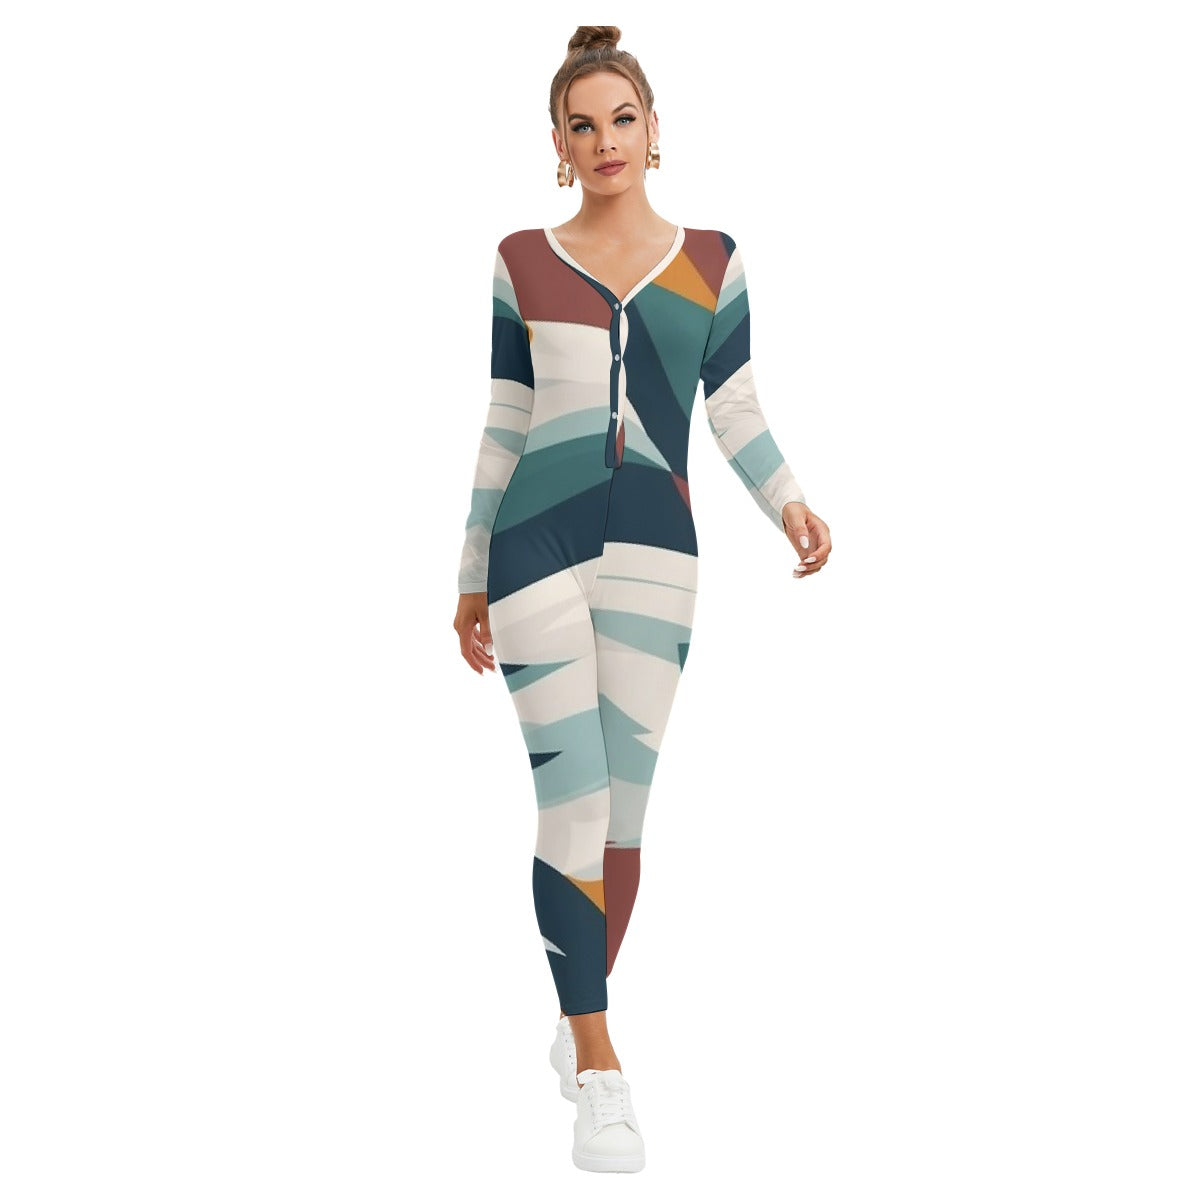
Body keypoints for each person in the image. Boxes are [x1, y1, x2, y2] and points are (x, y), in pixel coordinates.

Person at [452, 25, 833, 1173]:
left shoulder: (712, 261)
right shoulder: (521, 259)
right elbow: (506, 422)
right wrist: (469, 571)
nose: (606, 140)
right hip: (535, 550)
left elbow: (735, 408)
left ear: (656, 129)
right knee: (571, 804)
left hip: (659, 559)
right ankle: (602, 1068)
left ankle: (577, 1008)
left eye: (624, 119)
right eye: (584, 125)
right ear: (558, 144)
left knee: (623, 827)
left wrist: (791, 504)